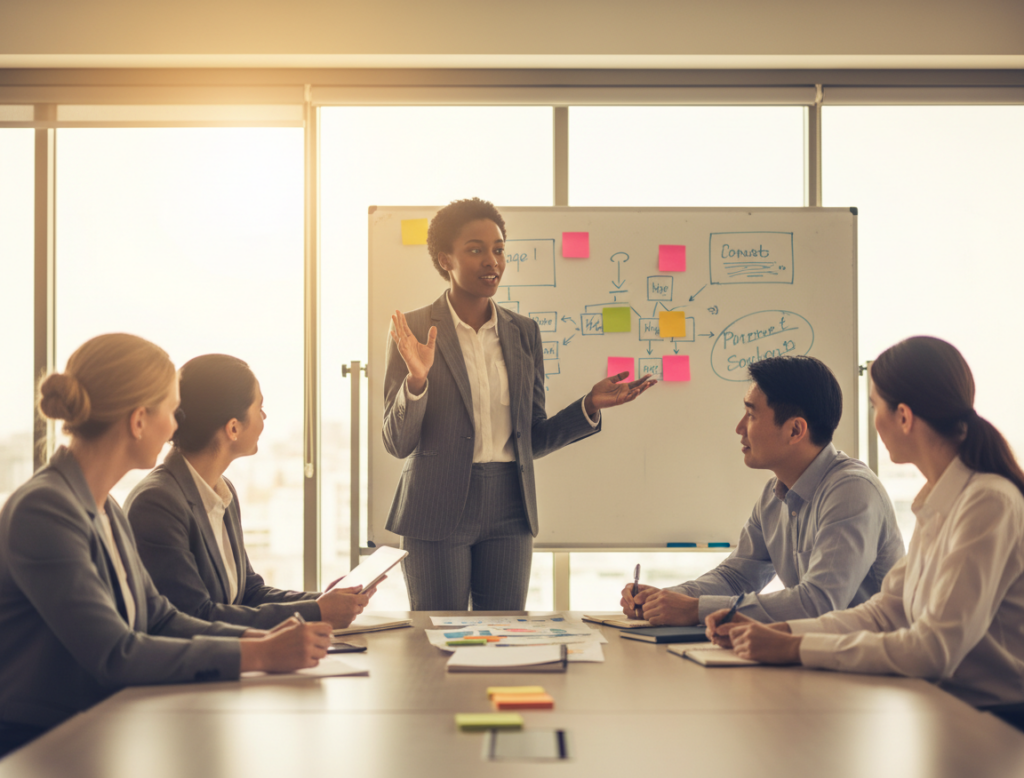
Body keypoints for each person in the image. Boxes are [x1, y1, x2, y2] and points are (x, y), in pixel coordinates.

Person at [0, 334, 332, 758]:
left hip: (98, 732)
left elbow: (160, 619)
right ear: (139, 421)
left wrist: (259, 638)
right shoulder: (44, 510)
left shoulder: (108, 509)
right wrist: (258, 653)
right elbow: (116, 652)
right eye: (171, 411)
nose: (177, 426)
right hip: (39, 749)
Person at [706, 337, 1024, 730]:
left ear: (903, 417)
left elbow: (933, 648)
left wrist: (797, 646)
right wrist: (781, 632)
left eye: (875, 407)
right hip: (943, 709)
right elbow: (888, 610)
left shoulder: (987, 503)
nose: (874, 420)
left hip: (996, 724)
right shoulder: (939, 502)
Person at [384, 197, 654, 611]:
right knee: (437, 643)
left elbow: (533, 436)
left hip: (510, 507)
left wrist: (588, 406)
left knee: (506, 637)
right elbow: (397, 441)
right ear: (446, 259)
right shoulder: (416, 329)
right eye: (475, 249)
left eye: (498, 249)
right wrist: (417, 380)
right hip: (436, 508)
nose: (491, 260)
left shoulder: (523, 332)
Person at [621, 355, 904, 625]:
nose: (739, 428)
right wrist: (662, 600)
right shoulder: (774, 494)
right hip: (819, 656)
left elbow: (820, 602)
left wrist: (695, 609)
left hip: (872, 667)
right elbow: (735, 578)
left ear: (795, 431)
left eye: (751, 415)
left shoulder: (851, 490)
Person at [125, 354, 371, 630]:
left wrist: (325, 601)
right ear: (233, 428)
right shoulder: (158, 503)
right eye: (259, 407)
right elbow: (194, 617)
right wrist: (316, 612)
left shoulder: (223, 491)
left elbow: (249, 594)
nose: (264, 417)